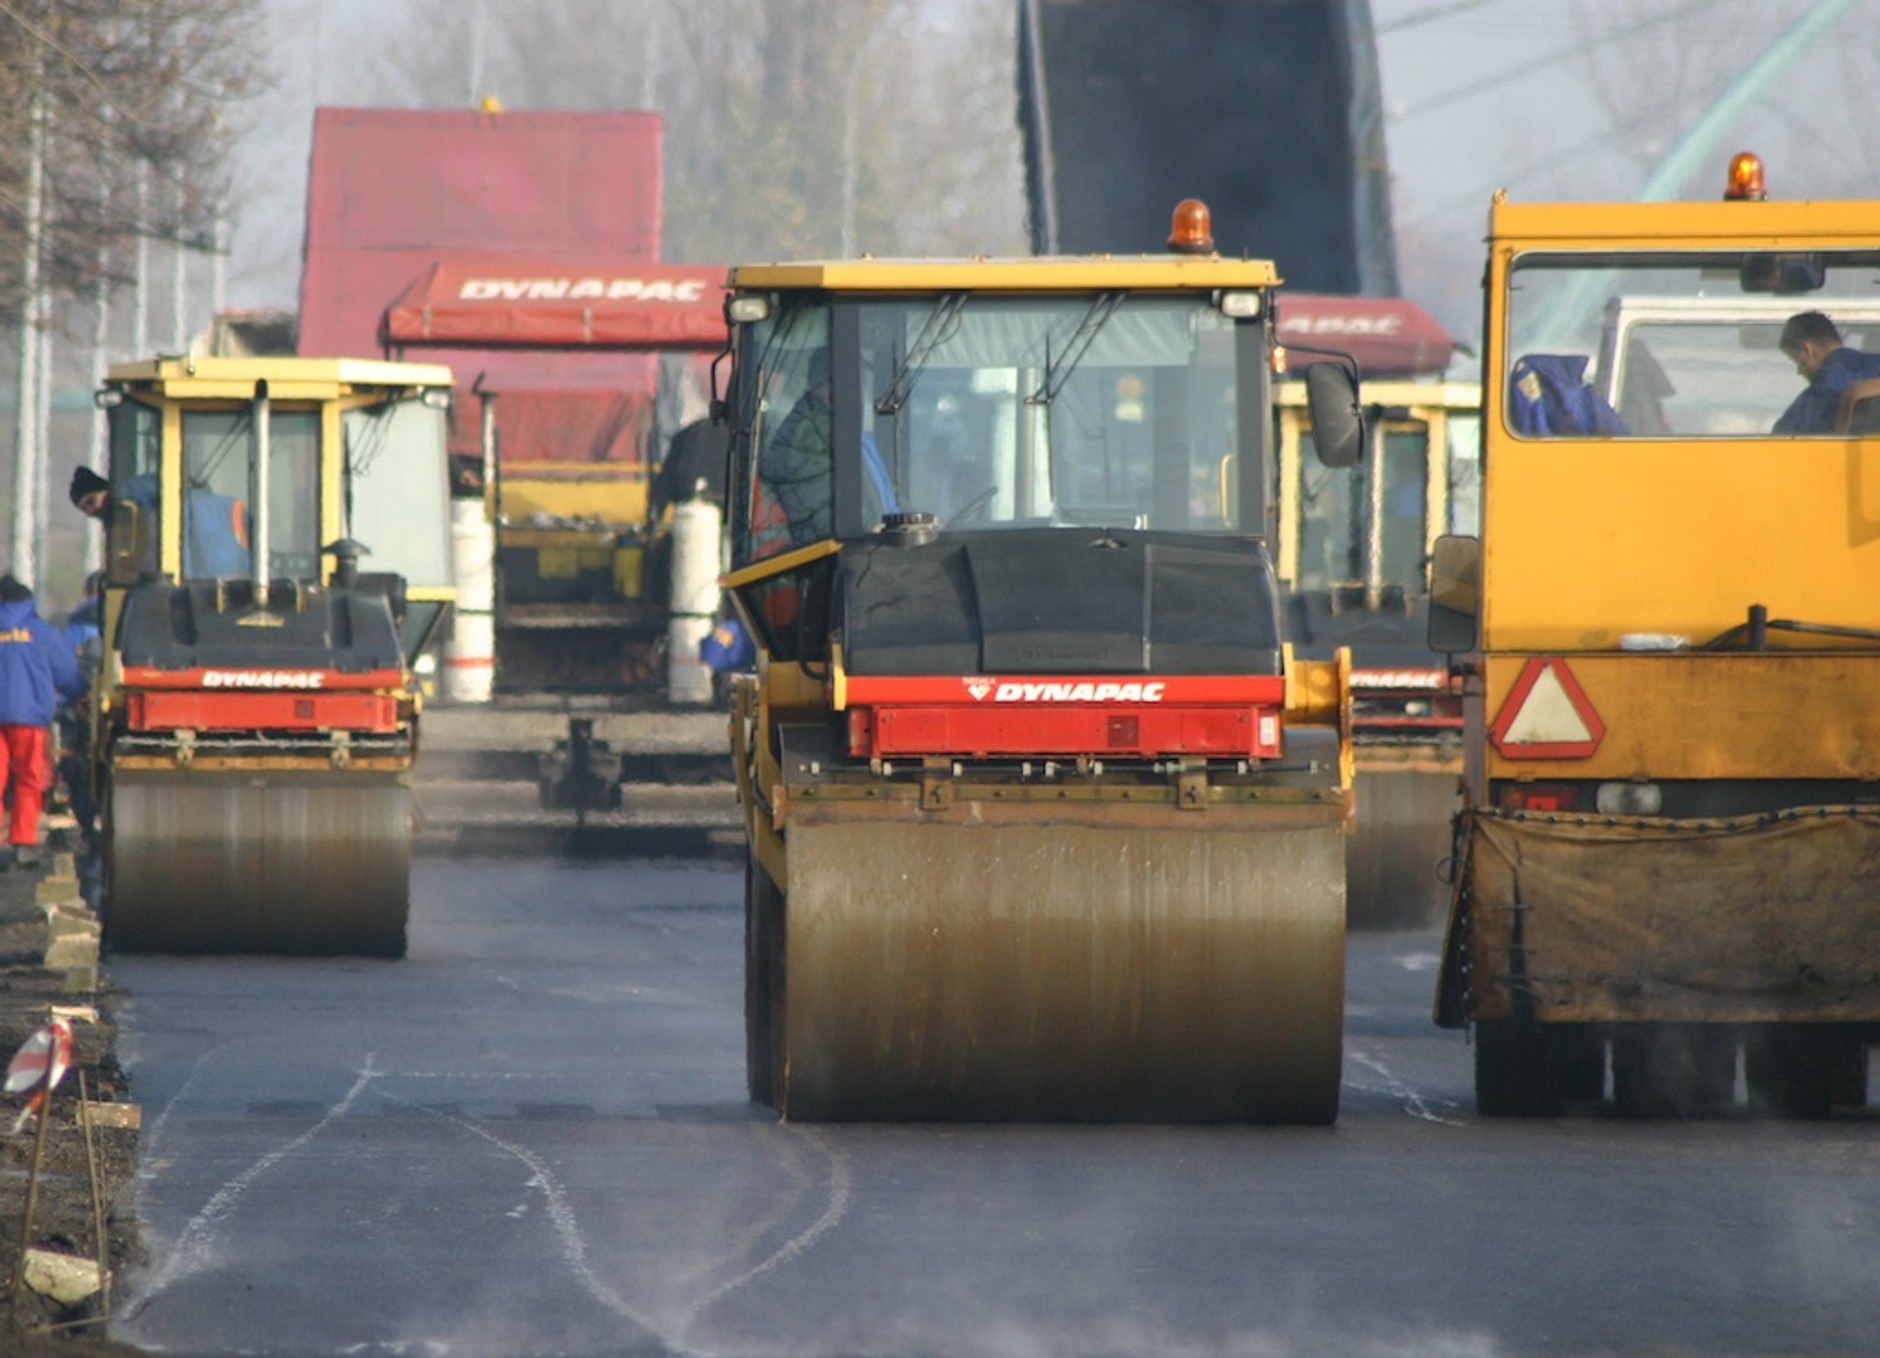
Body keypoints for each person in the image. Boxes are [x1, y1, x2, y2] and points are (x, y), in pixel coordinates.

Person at [0, 576, 86, 870]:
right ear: (27, 601)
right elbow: (67, 675)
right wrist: (80, 692)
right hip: (29, 719)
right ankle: (23, 844)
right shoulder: (42, 632)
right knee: (28, 779)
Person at [70, 464, 250, 578]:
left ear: (107, 490)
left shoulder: (133, 498)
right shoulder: (129, 522)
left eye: (91, 501)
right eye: (85, 510)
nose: (92, 511)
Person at [1772, 312, 1880, 435]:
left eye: (1798, 360)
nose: (1799, 371)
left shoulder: (1823, 392)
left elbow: (1781, 438)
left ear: (1809, 350)